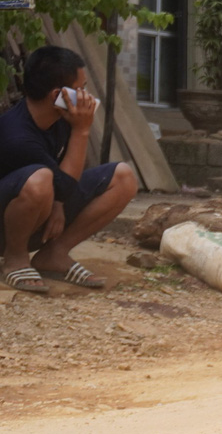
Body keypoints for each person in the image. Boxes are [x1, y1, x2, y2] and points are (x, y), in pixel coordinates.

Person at [0, 45, 140, 292]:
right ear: (58, 95)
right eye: (81, 90)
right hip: (7, 223)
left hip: (39, 207)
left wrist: (59, 204)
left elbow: (67, 172)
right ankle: (15, 258)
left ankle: (54, 253)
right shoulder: (16, 136)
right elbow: (59, 184)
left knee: (123, 177)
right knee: (40, 180)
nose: (87, 97)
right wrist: (82, 130)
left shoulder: (61, 118)